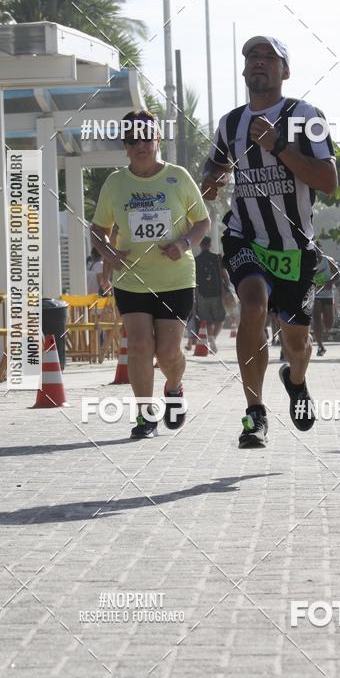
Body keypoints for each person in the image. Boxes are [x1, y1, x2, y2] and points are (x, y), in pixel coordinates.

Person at [201, 35, 337, 448]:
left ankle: (295, 381)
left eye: (269, 57)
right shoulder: (230, 123)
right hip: (245, 236)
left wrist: (278, 146)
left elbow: (328, 182)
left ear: (285, 71)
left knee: (297, 342)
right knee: (254, 306)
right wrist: (209, 182)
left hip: (295, 247)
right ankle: (254, 413)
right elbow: (211, 174)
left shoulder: (306, 116)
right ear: (244, 71)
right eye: (251, 57)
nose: (258, 62)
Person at [90, 110, 210, 439]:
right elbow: (98, 230)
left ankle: (174, 388)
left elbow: (203, 222)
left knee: (168, 351)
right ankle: (145, 415)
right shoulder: (116, 183)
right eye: (132, 140)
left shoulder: (179, 177)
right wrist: (108, 254)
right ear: (125, 146)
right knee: (140, 346)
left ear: (157, 140)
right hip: (132, 279)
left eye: (146, 138)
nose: (140, 145)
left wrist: (184, 243)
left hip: (175, 279)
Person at [195, 236, 231, 352]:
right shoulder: (216, 258)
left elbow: (193, 278)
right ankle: (213, 339)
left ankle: (211, 339)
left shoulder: (196, 259)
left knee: (207, 320)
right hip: (216, 293)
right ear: (210, 245)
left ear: (200, 245)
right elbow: (224, 274)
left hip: (202, 294)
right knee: (220, 319)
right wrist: (227, 286)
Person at [313, 243, 340, 356]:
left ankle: (320, 334)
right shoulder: (307, 261)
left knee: (329, 324)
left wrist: (330, 282)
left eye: (318, 250)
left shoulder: (328, 260)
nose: (317, 252)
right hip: (314, 295)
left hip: (327, 294)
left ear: (321, 250)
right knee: (316, 320)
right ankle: (320, 345)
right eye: (314, 250)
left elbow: (338, 275)